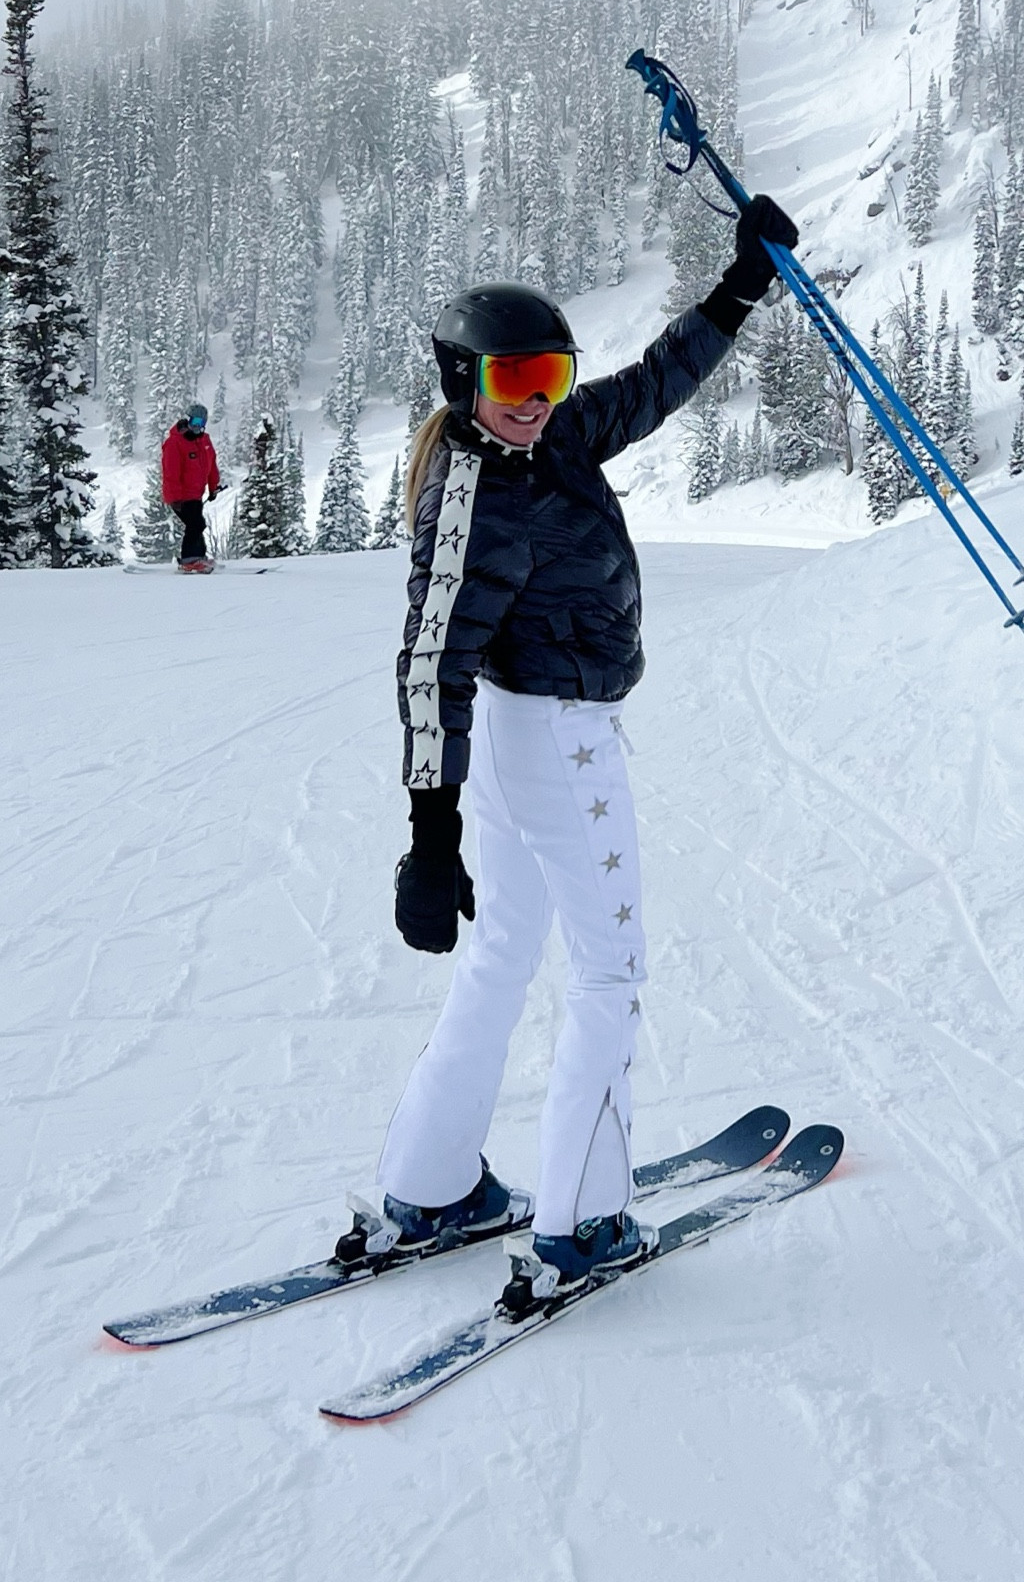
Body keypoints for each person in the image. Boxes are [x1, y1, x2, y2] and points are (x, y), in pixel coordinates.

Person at [369, 193, 798, 1293]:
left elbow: (656, 383)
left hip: (542, 733)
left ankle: (431, 1184)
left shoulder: (552, 442)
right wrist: (430, 835)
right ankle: (580, 1222)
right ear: (462, 381)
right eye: (513, 384)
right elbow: (432, 665)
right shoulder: (469, 497)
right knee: (610, 966)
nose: (536, 405)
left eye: (550, 380)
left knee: (509, 945)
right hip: (555, 739)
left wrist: (740, 283)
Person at [160, 402, 221, 571]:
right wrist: (175, 498)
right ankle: (189, 560)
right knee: (196, 524)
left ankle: (198, 557)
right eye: (194, 422)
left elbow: (211, 465)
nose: (197, 426)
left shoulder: (204, 441)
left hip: (196, 494)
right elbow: (170, 472)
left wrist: (213, 487)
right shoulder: (175, 443)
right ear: (187, 420)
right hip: (181, 496)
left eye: (201, 423)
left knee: (197, 524)